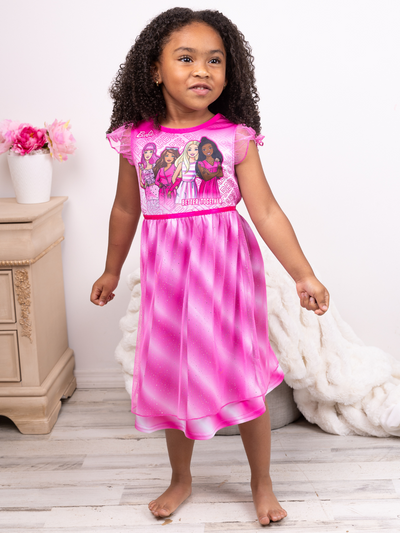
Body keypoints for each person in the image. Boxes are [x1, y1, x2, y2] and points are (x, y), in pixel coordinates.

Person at [90, 7, 329, 526]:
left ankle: (261, 482)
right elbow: (126, 209)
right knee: (175, 376)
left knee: (245, 374)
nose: (202, 70)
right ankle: (181, 478)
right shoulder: (136, 140)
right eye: (186, 58)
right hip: (170, 282)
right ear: (154, 70)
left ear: (228, 71)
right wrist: (111, 269)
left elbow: (266, 211)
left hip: (226, 279)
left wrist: (303, 273)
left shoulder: (233, 137)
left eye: (215, 60)